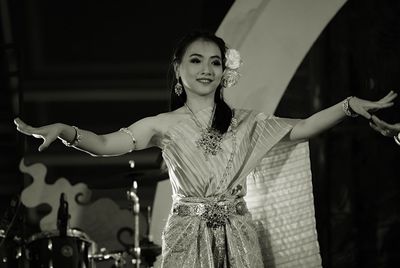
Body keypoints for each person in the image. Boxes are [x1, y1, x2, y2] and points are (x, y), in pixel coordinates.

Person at [14, 31, 397, 267]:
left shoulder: (246, 121)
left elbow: (302, 128)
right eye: (196, 60)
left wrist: (348, 105)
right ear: (178, 69)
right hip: (186, 232)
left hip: (240, 233)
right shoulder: (161, 124)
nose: (206, 69)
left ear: (224, 72)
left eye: (215, 62)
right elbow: (102, 145)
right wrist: (64, 129)